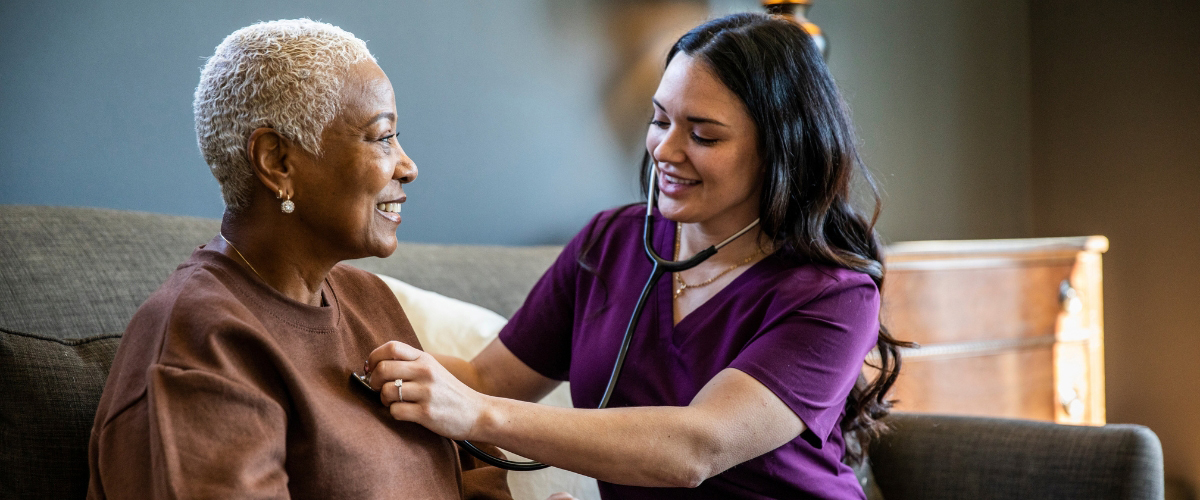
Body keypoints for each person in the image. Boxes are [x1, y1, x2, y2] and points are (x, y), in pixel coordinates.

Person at [364, 12, 910, 500]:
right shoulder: (609, 244)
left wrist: (479, 417)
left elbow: (697, 448)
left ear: (781, 148)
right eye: (660, 120)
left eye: (703, 135)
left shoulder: (832, 294)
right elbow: (485, 379)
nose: (665, 151)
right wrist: (344, 354)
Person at [87, 19, 513, 499]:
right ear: (277, 162)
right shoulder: (202, 343)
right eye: (381, 137)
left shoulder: (367, 298)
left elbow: (463, 476)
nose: (408, 166)